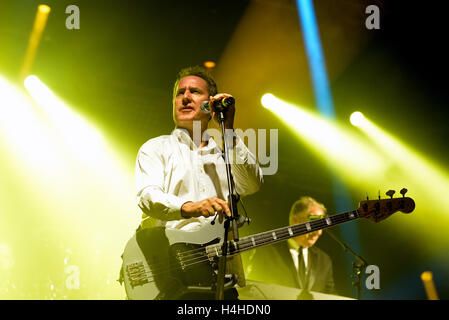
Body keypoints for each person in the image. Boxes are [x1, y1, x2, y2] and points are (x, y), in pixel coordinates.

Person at [133, 66, 264, 299]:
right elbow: (147, 197)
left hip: (218, 275)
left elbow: (252, 185)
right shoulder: (155, 148)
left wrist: (229, 130)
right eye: (179, 92)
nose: (185, 97)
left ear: (210, 104)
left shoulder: (225, 155)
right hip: (168, 270)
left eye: (194, 91)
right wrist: (189, 207)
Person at [245, 196, 336, 297]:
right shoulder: (267, 252)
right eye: (314, 223)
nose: (318, 232)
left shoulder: (324, 260)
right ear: (295, 220)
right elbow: (250, 290)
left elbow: (329, 295)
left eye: (322, 225)